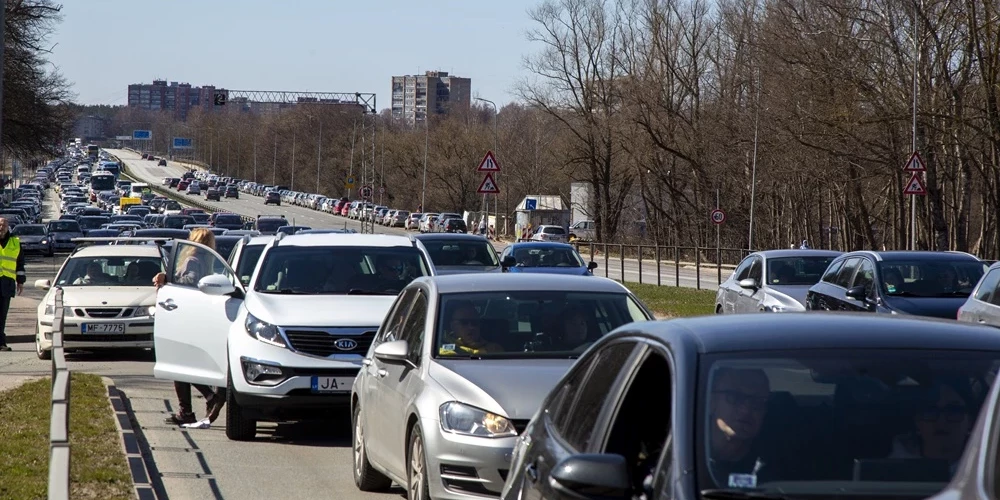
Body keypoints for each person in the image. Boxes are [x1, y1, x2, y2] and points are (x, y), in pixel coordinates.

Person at [153, 228, 225, 425]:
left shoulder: (192, 260)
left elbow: (190, 281)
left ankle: (198, 404)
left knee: (178, 365)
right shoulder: (206, 262)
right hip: (197, 316)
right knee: (183, 364)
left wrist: (168, 279)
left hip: (184, 316)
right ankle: (195, 406)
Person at [889, 379, 974, 472]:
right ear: (917, 420)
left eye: (953, 410)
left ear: (970, 421)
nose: (941, 421)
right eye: (930, 411)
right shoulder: (888, 473)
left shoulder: (988, 470)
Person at [707, 367, 772, 484]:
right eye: (735, 397)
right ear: (711, 401)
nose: (746, 410)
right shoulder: (687, 452)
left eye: (757, 401)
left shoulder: (777, 467)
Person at [438, 301, 503, 355]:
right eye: (464, 322)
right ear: (452, 326)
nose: (471, 327)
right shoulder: (442, 350)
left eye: (475, 322)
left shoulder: (494, 348)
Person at [0, 217, 25, 351]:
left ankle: (1, 343)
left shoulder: (15, 242)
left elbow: (20, 263)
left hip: (7, 283)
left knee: (2, 315)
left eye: (4, 225)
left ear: (7, 227)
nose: (1, 227)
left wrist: (20, 282)